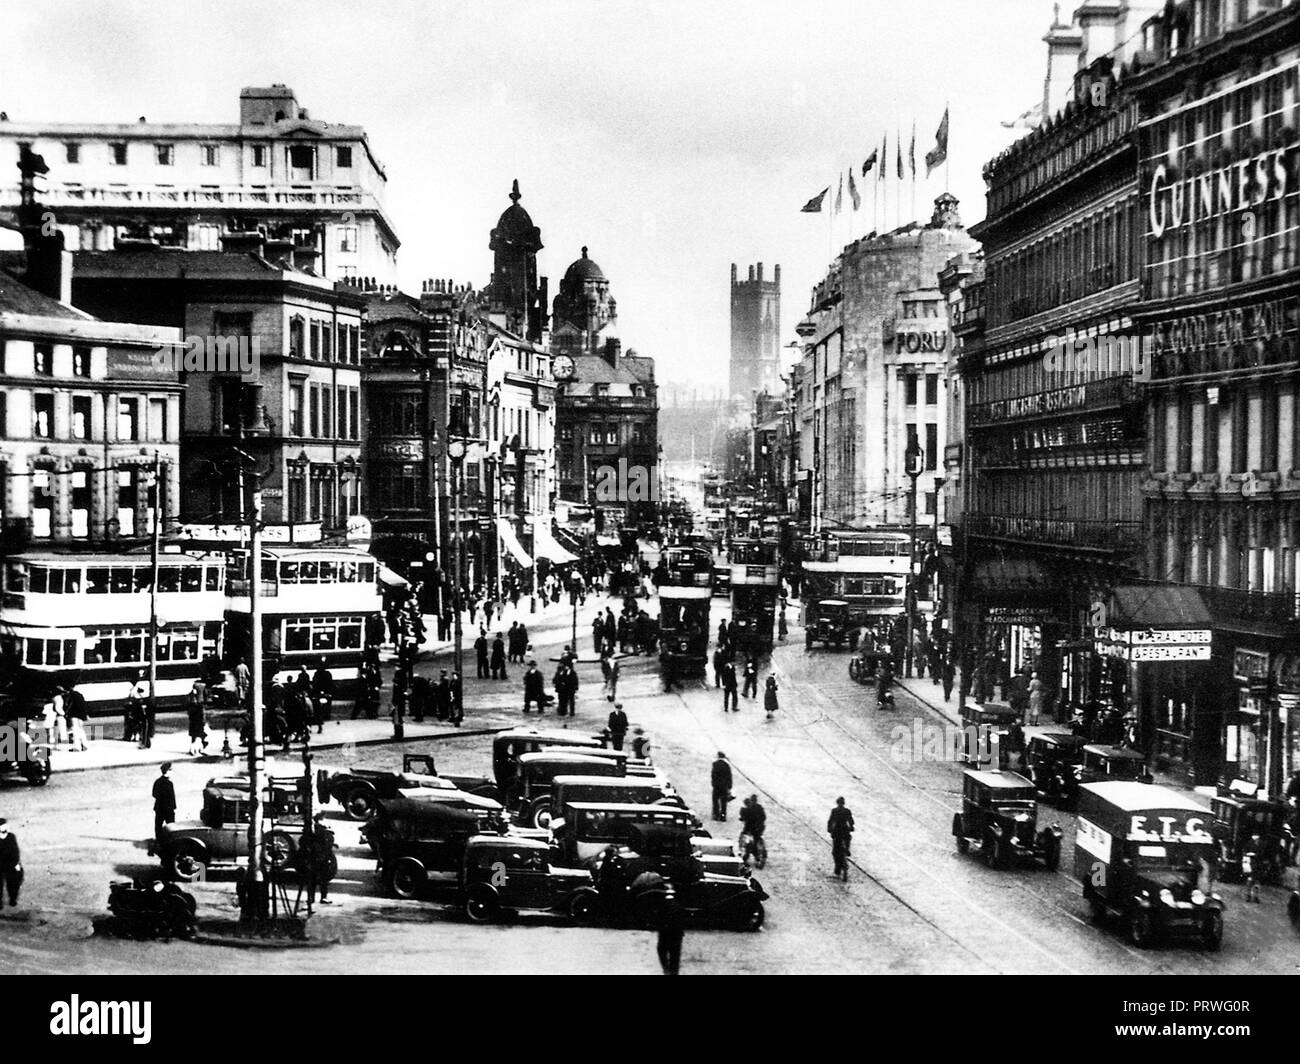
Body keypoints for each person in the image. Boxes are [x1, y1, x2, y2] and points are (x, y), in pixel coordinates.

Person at [300, 813, 338, 906]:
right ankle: (321, 897)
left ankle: (312, 898)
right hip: (321, 856)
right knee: (321, 878)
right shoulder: (322, 830)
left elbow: (302, 842)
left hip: (316, 856)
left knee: (314, 879)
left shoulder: (311, 830)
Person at [828, 797, 855, 881]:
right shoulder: (847, 811)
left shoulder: (834, 811)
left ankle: (837, 870)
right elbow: (851, 821)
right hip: (845, 831)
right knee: (847, 840)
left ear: (837, 803)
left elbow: (831, 821)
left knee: (835, 852)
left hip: (837, 832)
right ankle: (847, 850)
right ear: (844, 803)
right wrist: (851, 827)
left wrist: (829, 829)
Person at [656, 900, 685, 976]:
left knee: (663, 952)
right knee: (674, 956)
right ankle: (672, 971)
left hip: (666, 933)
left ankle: (667, 970)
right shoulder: (679, 907)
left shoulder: (662, 908)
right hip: (675, 934)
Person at [739, 794, 767, 868]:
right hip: (760, 828)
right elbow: (764, 817)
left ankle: (747, 855)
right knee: (757, 840)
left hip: (751, 828)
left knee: (748, 841)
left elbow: (745, 818)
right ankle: (758, 855)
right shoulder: (760, 807)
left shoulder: (748, 809)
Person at [152, 763, 177, 843]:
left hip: (159, 807)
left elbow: (154, 794)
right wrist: (173, 807)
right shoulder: (169, 783)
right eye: (171, 770)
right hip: (168, 809)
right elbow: (172, 797)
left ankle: (158, 841)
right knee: (171, 826)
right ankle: (171, 841)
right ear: (168, 771)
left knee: (158, 826)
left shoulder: (157, 781)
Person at [0, 820, 20, 910]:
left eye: (5, 826)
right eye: (2, 826)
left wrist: (16, 864)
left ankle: (13, 899)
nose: (4, 828)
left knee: (12, 884)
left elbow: (15, 851)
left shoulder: (11, 837)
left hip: (10, 864)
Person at [124, 671, 148, 743]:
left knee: (133, 721)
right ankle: (136, 735)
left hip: (134, 706)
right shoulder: (136, 687)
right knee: (137, 722)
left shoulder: (135, 688)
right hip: (137, 706)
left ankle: (133, 735)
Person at [65, 683, 89, 752]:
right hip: (80, 714)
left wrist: (67, 713)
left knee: (75, 729)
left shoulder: (71, 695)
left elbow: (70, 706)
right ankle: (85, 744)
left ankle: (77, 746)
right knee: (80, 729)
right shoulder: (79, 695)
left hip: (74, 714)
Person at [187, 680, 208, 756]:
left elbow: (191, 696)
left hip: (193, 712)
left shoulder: (194, 686)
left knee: (194, 732)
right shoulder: (203, 686)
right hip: (200, 708)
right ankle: (199, 748)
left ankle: (193, 748)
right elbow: (206, 696)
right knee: (200, 731)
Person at [711, 752, 733, 821]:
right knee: (723, 802)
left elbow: (713, 775)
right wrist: (729, 786)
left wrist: (713, 783)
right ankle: (723, 815)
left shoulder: (715, 764)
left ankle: (716, 815)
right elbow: (729, 776)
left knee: (715, 800)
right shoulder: (727, 765)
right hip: (724, 786)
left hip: (717, 786)